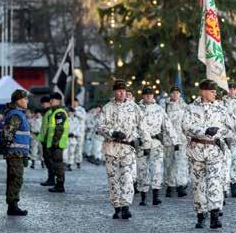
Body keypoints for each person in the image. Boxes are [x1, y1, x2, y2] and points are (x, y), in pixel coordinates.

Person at [182, 79, 236, 229]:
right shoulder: (191, 108)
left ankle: (215, 215)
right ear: (203, 91)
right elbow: (185, 126)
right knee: (198, 185)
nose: (214, 94)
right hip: (196, 150)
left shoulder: (220, 109)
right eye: (211, 91)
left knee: (215, 182)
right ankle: (200, 214)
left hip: (214, 150)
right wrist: (203, 131)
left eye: (215, 91)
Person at [98, 79, 152, 219]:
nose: (121, 93)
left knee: (128, 178)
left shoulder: (134, 107)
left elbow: (143, 126)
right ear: (114, 92)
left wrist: (147, 144)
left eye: (123, 90)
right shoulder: (107, 107)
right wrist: (112, 133)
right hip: (111, 148)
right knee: (113, 179)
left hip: (127, 148)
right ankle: (117, 207)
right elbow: (100, 126)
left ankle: (126, 206)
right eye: (118, 91)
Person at [136, 86, 179, 206]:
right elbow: (132, 125)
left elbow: (168, 125)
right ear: (143, 96)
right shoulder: (136, 109)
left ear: (153, 96)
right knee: (142, 170)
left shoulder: (159, 109)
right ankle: (143, 196)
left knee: (157, 169)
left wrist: (175, 141)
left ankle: (155, 196)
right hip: (142, 143)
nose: (149, 96)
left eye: (151, 94)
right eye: (146, 94)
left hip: (156, 142)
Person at [2, 89, 30, 216]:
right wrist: (7, 149)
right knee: (16, 179)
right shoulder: (16, 115)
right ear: (18, 100)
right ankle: (13, 206)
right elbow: (9, 134)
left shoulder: (18, 113)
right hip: (15, 153)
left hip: (17, 152)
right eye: (25, 98)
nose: (27, 101)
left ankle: (12, 205)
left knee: (14, 178)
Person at [163, 85, 188, 198]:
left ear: (180, 94)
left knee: (181, 163)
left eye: (177, 93)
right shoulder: (165, 105)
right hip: (168, 140)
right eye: (173, 93)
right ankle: (170, 185)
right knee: (169, 163)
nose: (175, 94)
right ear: (170, 94)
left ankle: (181, 186)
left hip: (181, 139)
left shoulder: (185, 106)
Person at [46, 93, 69, 193]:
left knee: (58, 165)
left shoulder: (59, 112)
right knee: (55, 164)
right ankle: (58, 184)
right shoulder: (54, 112)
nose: (51, 101)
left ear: (59, 101)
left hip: (58, 144)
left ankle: (60, 185)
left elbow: (59, 128)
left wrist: (55, 141)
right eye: (50, 99)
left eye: (53, 99)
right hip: (55, 143)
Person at [37, 96, 54, 186]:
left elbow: (50, 128)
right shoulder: (47, 112)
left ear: (48, 103)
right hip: (45, 140)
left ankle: (51, 179)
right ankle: (50, 178)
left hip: (48, 141)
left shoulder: (50, 112)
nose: (42, 105)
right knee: (47, 160)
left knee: (49, 161)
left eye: (43, 103)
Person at [72, 98, 86, 169]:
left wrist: (76, 113)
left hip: (80, 131)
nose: (74, 103)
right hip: (72, 131)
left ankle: (78, 161)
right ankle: (70, 162)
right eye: (73, 102)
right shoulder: (70, 109)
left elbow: (83, 117)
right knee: (71, 147)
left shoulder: (81, 109)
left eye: (75, 102)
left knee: (79, 147)